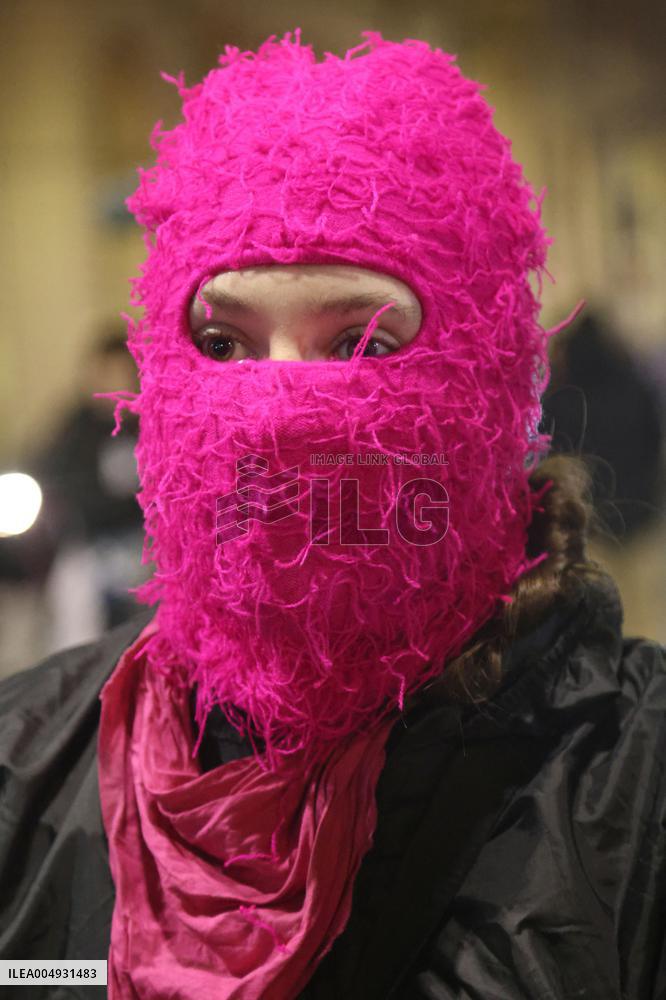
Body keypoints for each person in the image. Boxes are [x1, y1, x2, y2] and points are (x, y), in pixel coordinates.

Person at [0, 28, 664, 1000]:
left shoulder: (633, 792)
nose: (274, 414)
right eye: (223, 343)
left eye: (361, 343)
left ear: (488, 384)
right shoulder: (24, 766)